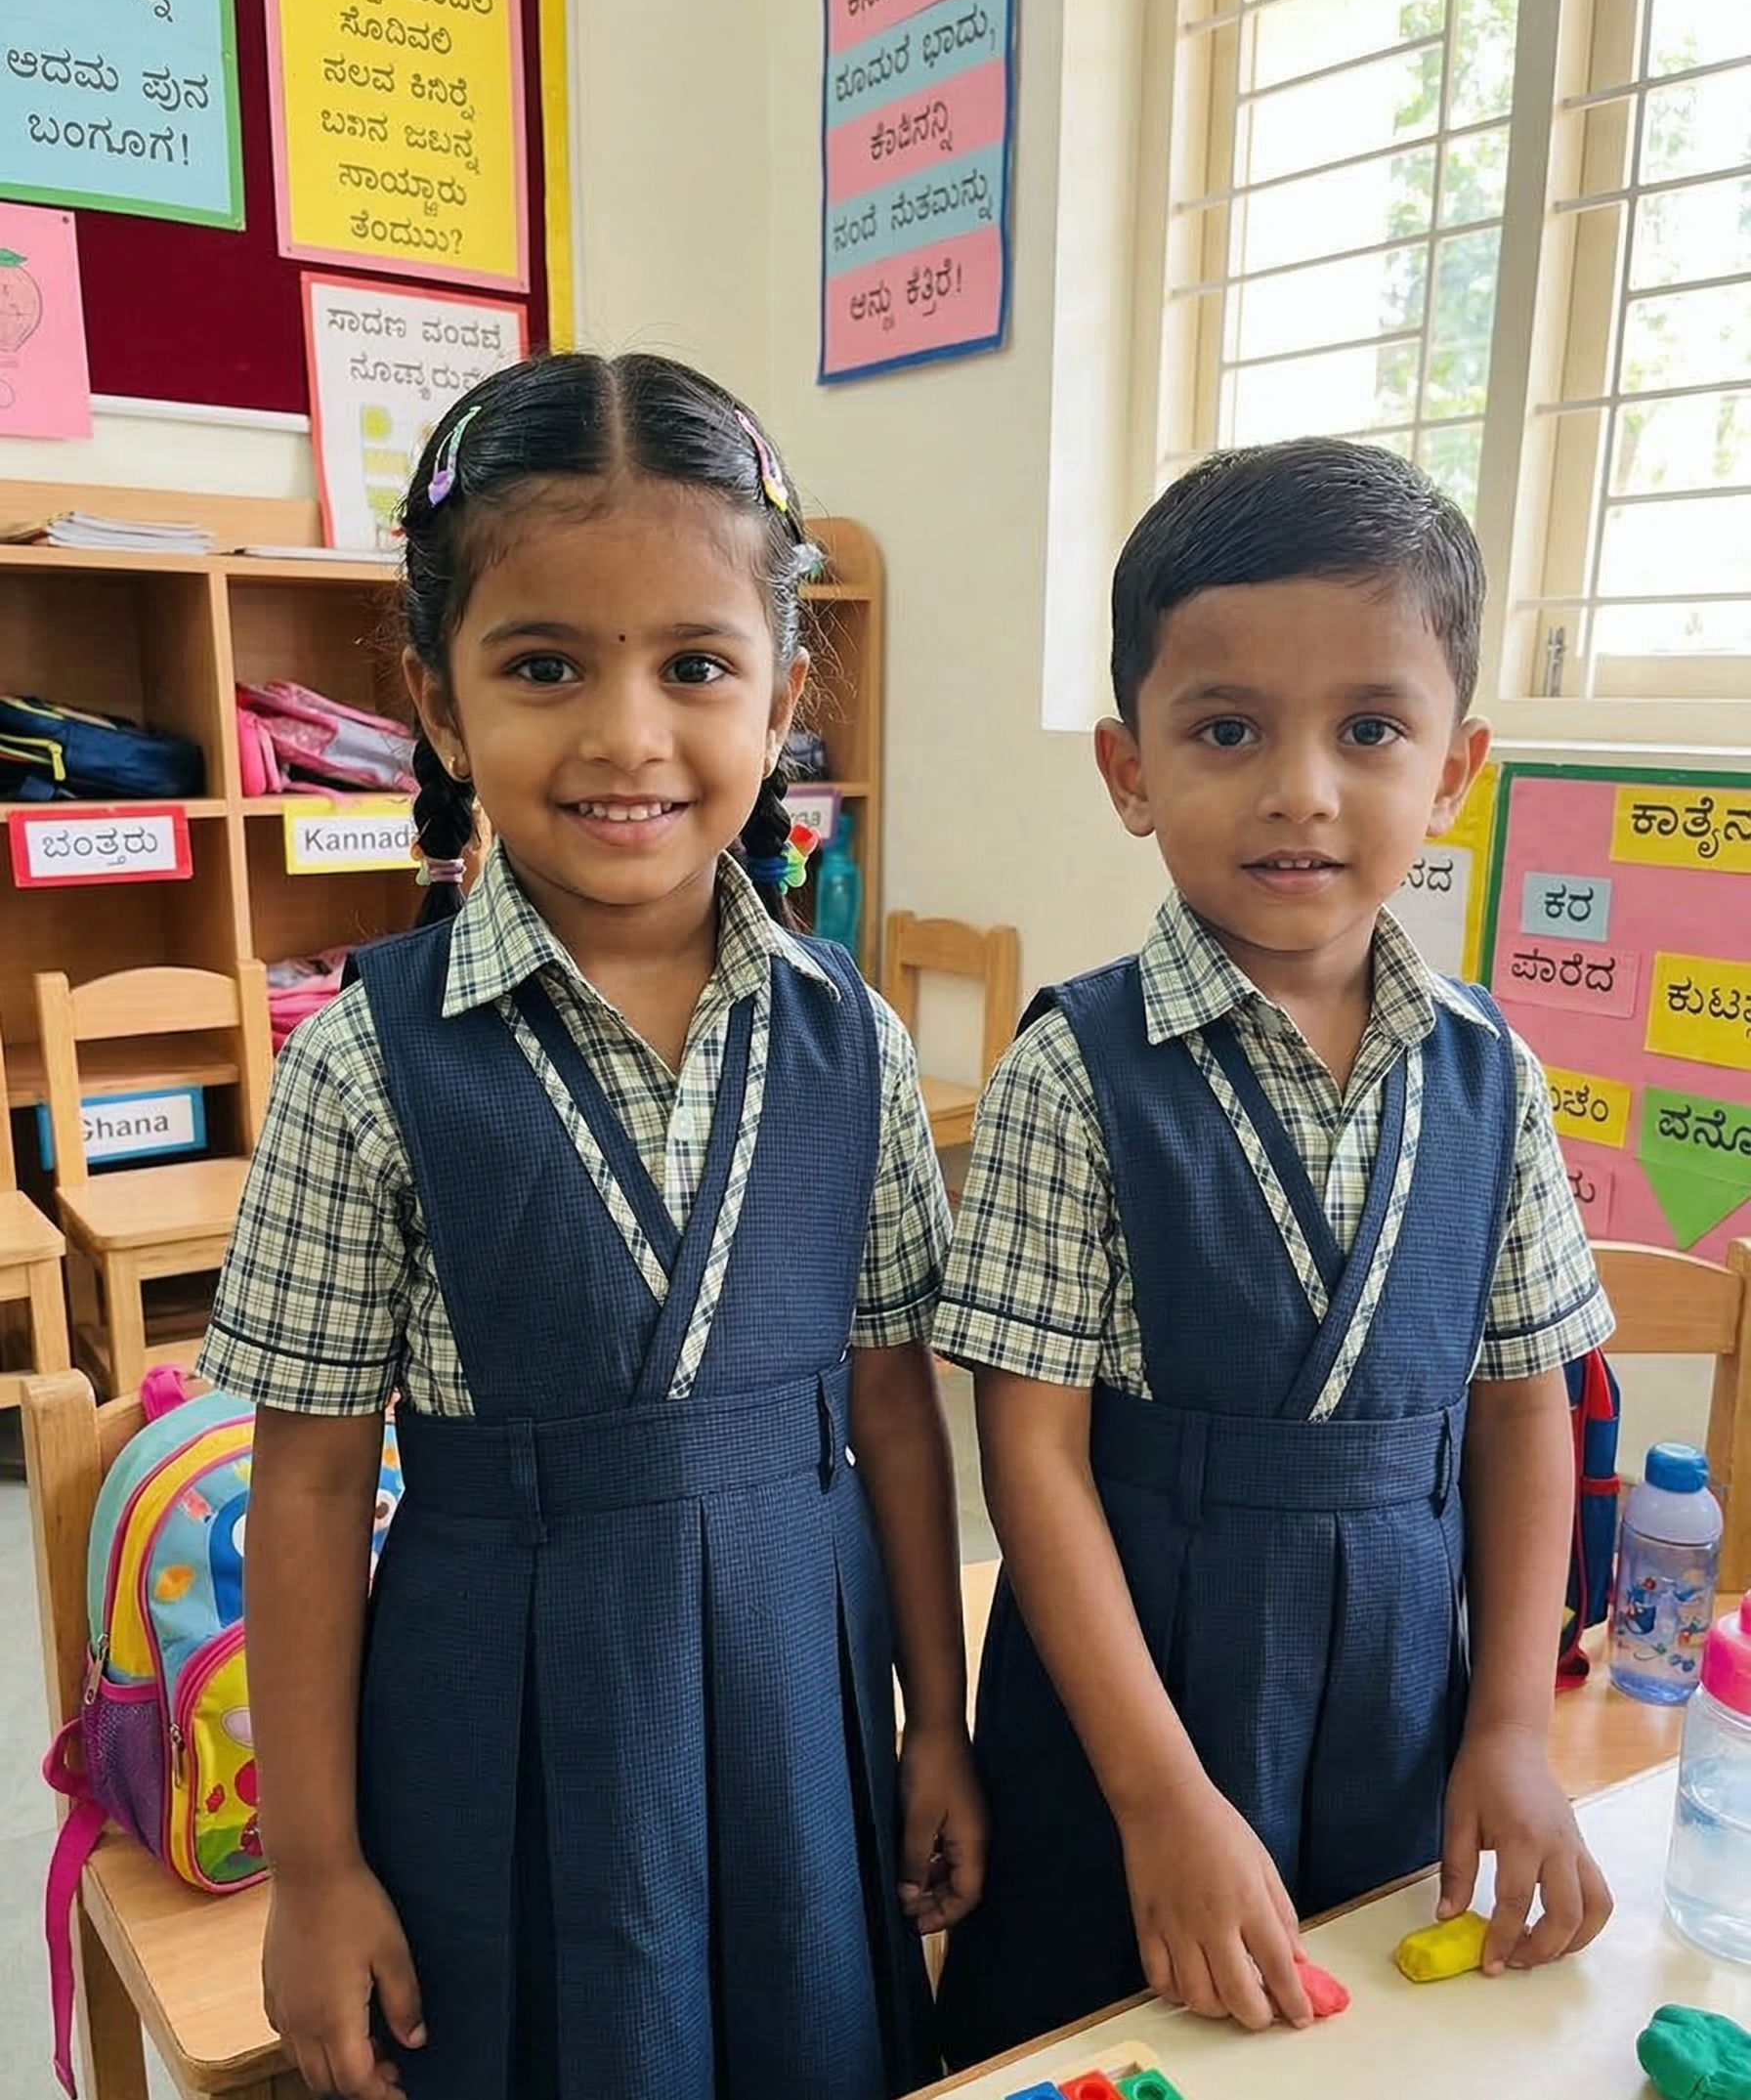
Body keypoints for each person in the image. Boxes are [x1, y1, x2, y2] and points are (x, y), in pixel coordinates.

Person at [197, 353, 984, 2100]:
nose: (628, 734)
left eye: (696, 665)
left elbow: (893, 1414)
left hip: (804, 1699)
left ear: (786, 690)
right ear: (440, 699)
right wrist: (316, 1870)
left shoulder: (851, 1038)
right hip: (503, 1717)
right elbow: (313, 1484)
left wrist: (936, 1717)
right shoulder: (364, 1063)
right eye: (546, 664)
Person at [932, 439, 1615, 2067]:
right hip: (1130, 1723)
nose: (1301, 786)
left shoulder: (1491, 1071)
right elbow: (1031, 1451)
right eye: (1227, 728)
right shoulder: (1071, 1069)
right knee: (1107, 2039)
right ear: (1129, 766)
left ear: (1456, 769)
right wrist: (1161, 1796)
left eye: (1371, 728)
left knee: (1365, 2036)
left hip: (1396, 1711)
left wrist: (1512, 1728)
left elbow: (1525, 1404)